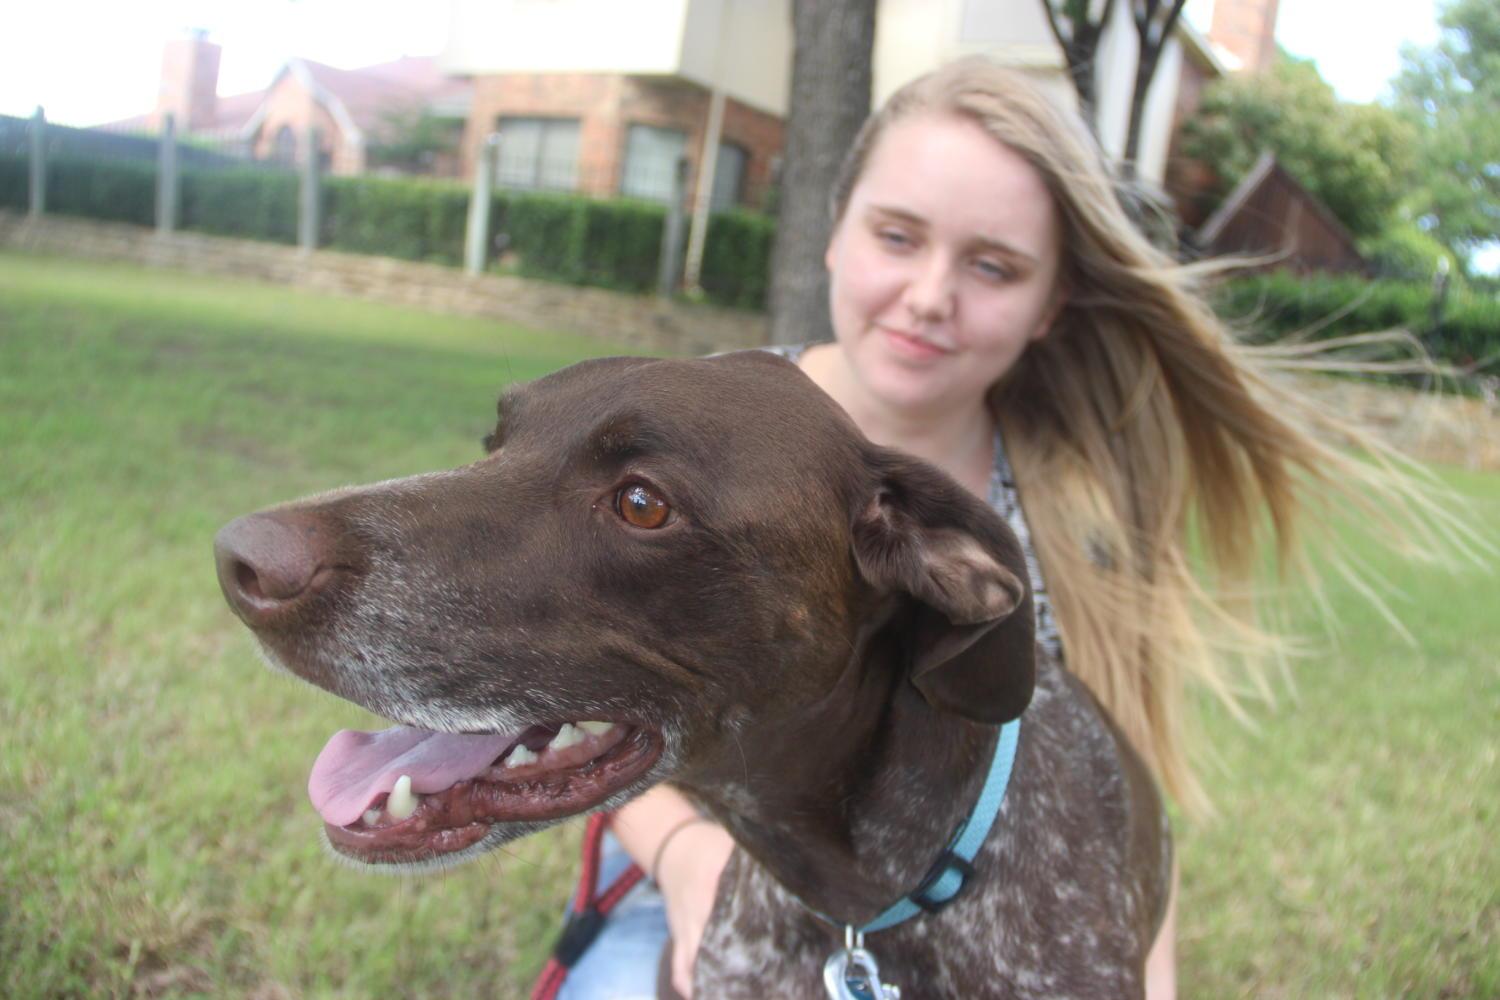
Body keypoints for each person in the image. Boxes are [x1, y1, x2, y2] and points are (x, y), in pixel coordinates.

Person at [559, 56, 1448, 1000]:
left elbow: (1119, 791)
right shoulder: (690, 452)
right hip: (713, 873)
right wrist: (689, 858)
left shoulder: (1081, 505)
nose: (931, 294)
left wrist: (1154, 977)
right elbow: (595, 709)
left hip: (978, 919)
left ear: (1050, 302)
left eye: (993, 265)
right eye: (897, 236)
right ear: (834, 231)